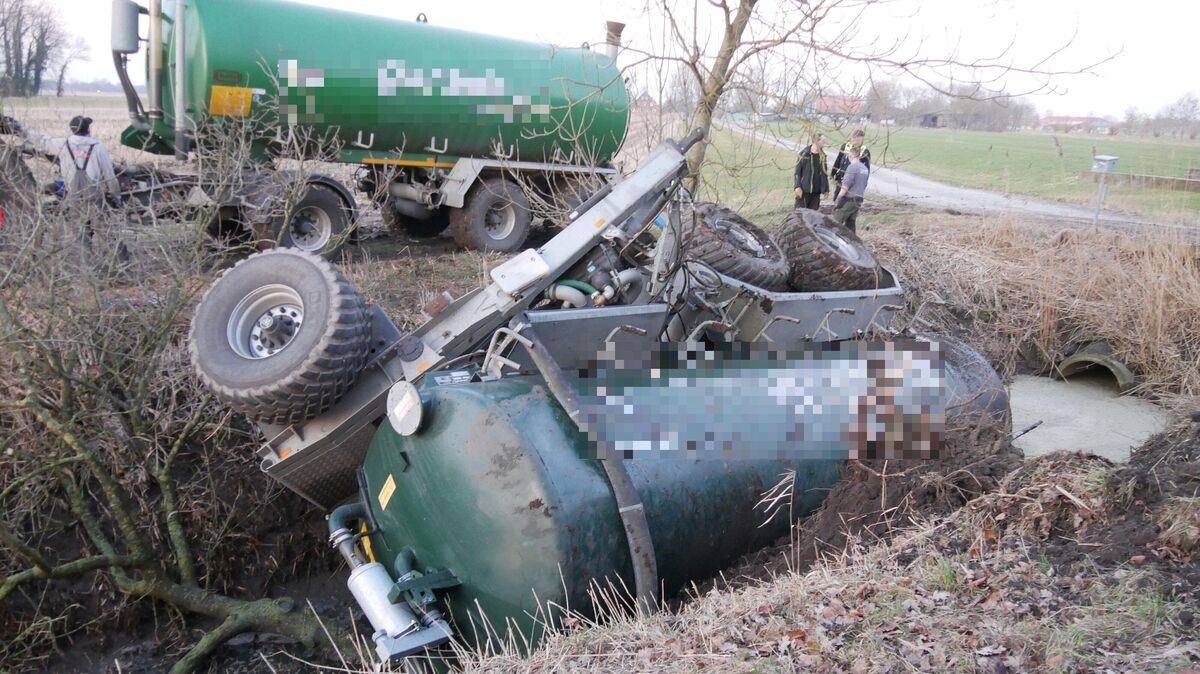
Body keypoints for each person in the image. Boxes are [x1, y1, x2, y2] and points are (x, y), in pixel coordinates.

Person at [15, 115, 120, 206]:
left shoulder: (63, 144)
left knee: (77, 226)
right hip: (94, 199)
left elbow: (42, 141)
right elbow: (109, 175)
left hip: (73, 199)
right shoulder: (98, 147)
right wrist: (116, 198)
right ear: (88, 130)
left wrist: (19, 128)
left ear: (73, 130)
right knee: (99, 228)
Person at [830, 146, 868, 232]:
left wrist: (838, 199)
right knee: (850, 224)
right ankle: (852, 243)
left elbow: (845, 187)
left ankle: (832, 243)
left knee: (835, 222)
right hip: (859, 199)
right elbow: (863, 184)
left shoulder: (852, 167)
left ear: (851, 156)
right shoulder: (864, 169)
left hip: (849, 199)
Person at [793, 133, 829, 210]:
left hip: (816, 192)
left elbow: (824, 173)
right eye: (822, 141)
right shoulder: (804, 154)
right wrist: (797, 186)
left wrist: (825, 189)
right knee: (800, 215)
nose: (824, 143)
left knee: (813, 216)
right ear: (816, 141)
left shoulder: (822, 156)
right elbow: (797, 172)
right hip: (803, 191)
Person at [830, 129, 870, 196]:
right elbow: (838, 160)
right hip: (841, 178)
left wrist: (864, 183)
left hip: (854, 181)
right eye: (853, 137)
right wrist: (832, 175)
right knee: (837, 197)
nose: (854, 139)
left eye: (857, 138)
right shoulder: (845, 147)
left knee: (848, 199)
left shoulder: (865, 151)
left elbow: (867, 169)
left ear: (861, 139)